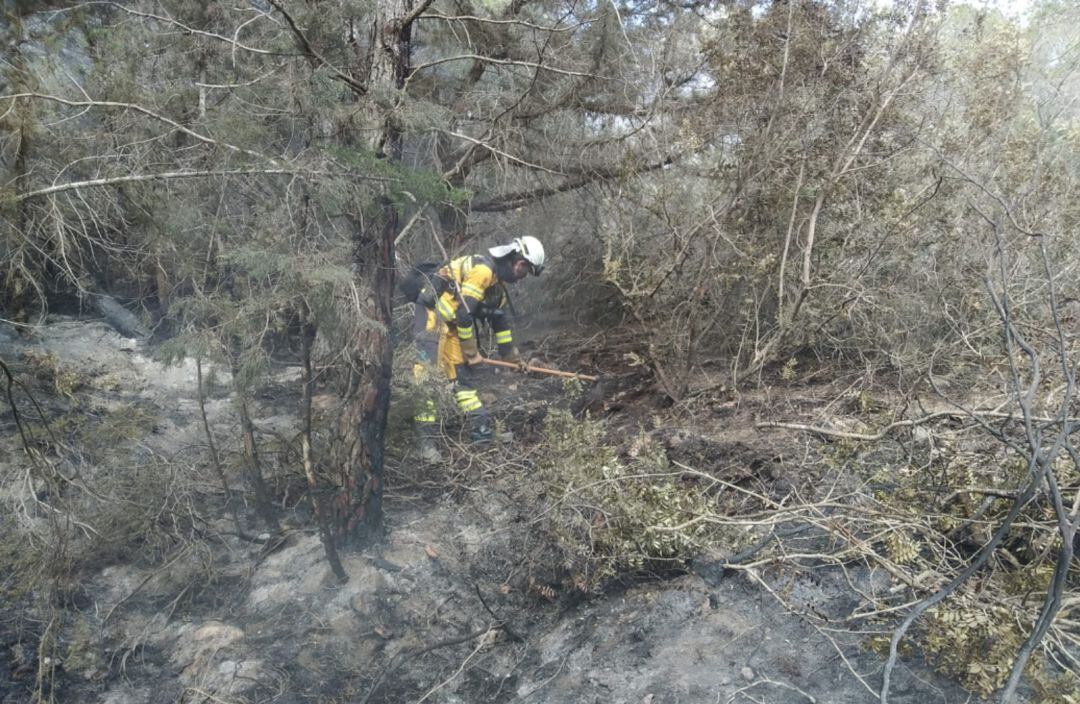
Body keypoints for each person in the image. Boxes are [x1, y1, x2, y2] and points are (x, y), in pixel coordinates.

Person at [408, 236, 545, 460]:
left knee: (463, 380)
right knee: (427, 379)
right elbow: (464, 314)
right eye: (526, 270)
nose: (522, 277)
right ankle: (425, 444)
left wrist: (512, 359)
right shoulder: (482, 272)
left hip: (451, 326)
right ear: (518, 262)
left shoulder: (497, 287)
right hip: (432, 320)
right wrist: (471, 352)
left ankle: (481, 430)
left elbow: (500, 322)